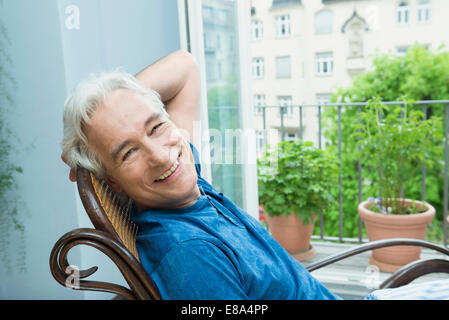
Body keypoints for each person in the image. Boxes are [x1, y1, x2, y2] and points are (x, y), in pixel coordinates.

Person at [61, 50, 449, 300]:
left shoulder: (182, 181)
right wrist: (103, 130)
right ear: (111, 180)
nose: (161, 156)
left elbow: (185, 67)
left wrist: (116, 107)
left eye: (156, 125)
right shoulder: (189, 252)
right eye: (128, 153)